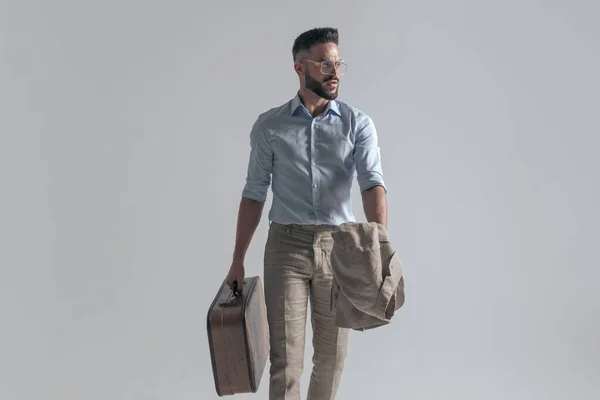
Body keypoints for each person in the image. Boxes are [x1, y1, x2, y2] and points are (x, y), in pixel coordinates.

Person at [225, 27, 388, 400]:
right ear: (300, 67)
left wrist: (377, 245)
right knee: (286, 361)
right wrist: (237, 259)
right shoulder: (270, 126)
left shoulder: (357, 124)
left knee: (332, 357)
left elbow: (371, 183)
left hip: (340, 248)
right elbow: (254, 193)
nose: (335, 72)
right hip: (287, 248)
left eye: (338, 63)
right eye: (325, 63)